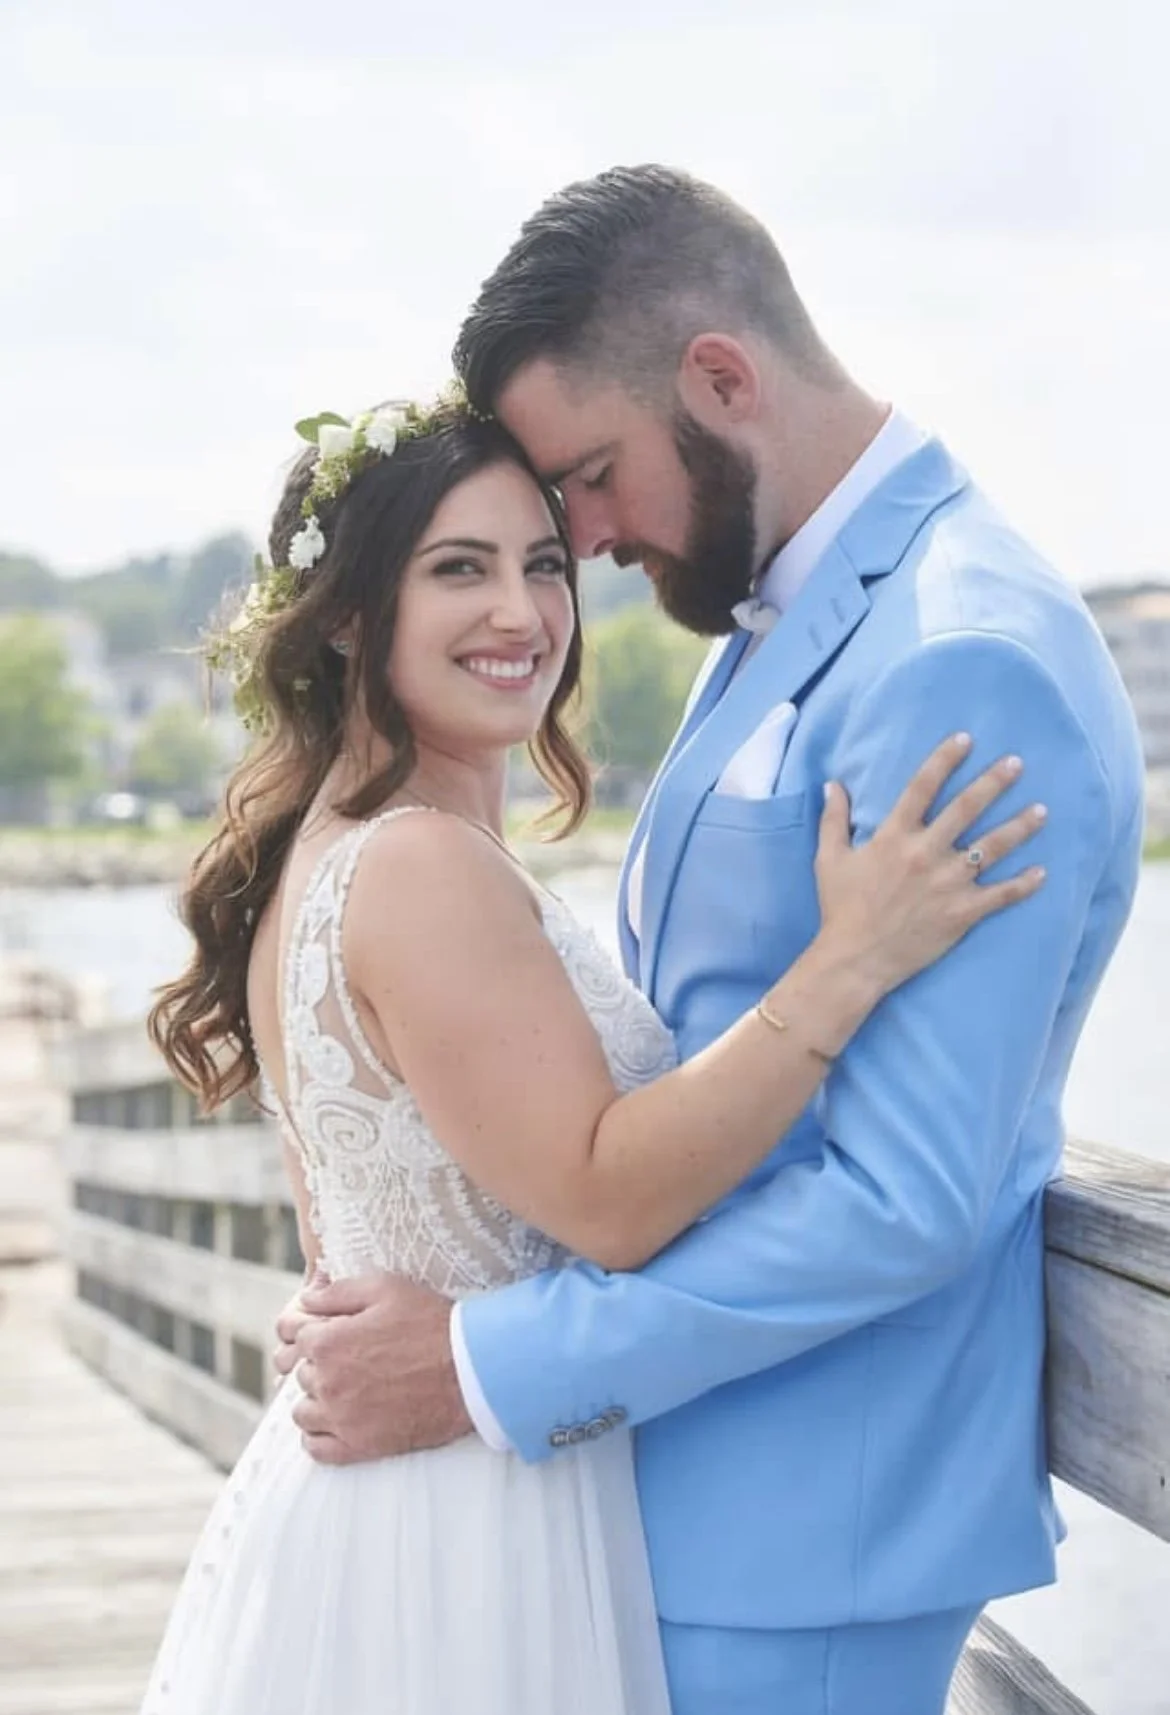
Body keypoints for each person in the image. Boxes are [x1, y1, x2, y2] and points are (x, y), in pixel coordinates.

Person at [275, 168, 1147, 1715]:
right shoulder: (778, 615)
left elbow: (903, 1194)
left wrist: (487, 1362)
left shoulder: (957, 658)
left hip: (803, 1518)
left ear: (720, 381)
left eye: (589, 480)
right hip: (652, 1492)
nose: (583, 540)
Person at [144, 390, 1041, 1714]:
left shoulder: (333, 850)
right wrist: (850, 958)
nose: (522, 612)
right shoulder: (416, 865)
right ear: (344, 612)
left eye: (544, 563)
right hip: (461, 1513)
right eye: (459, 569)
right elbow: (608, 1198)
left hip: (403, 1487)